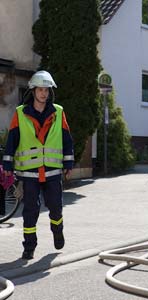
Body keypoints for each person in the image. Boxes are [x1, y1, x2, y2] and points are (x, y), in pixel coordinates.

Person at [2, 70, 74, 259]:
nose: (44, 93)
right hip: (29, 173)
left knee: (56, 207)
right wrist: (8, 166)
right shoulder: (20, 113)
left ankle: (57, 231)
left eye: (47, 90)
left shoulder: (58, 112)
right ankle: (29, 247)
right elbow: (12, 141)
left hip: (51, 172)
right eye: (40, 89)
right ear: (33, 91)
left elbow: (67, 139)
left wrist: (68, 162)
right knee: (30, 211)